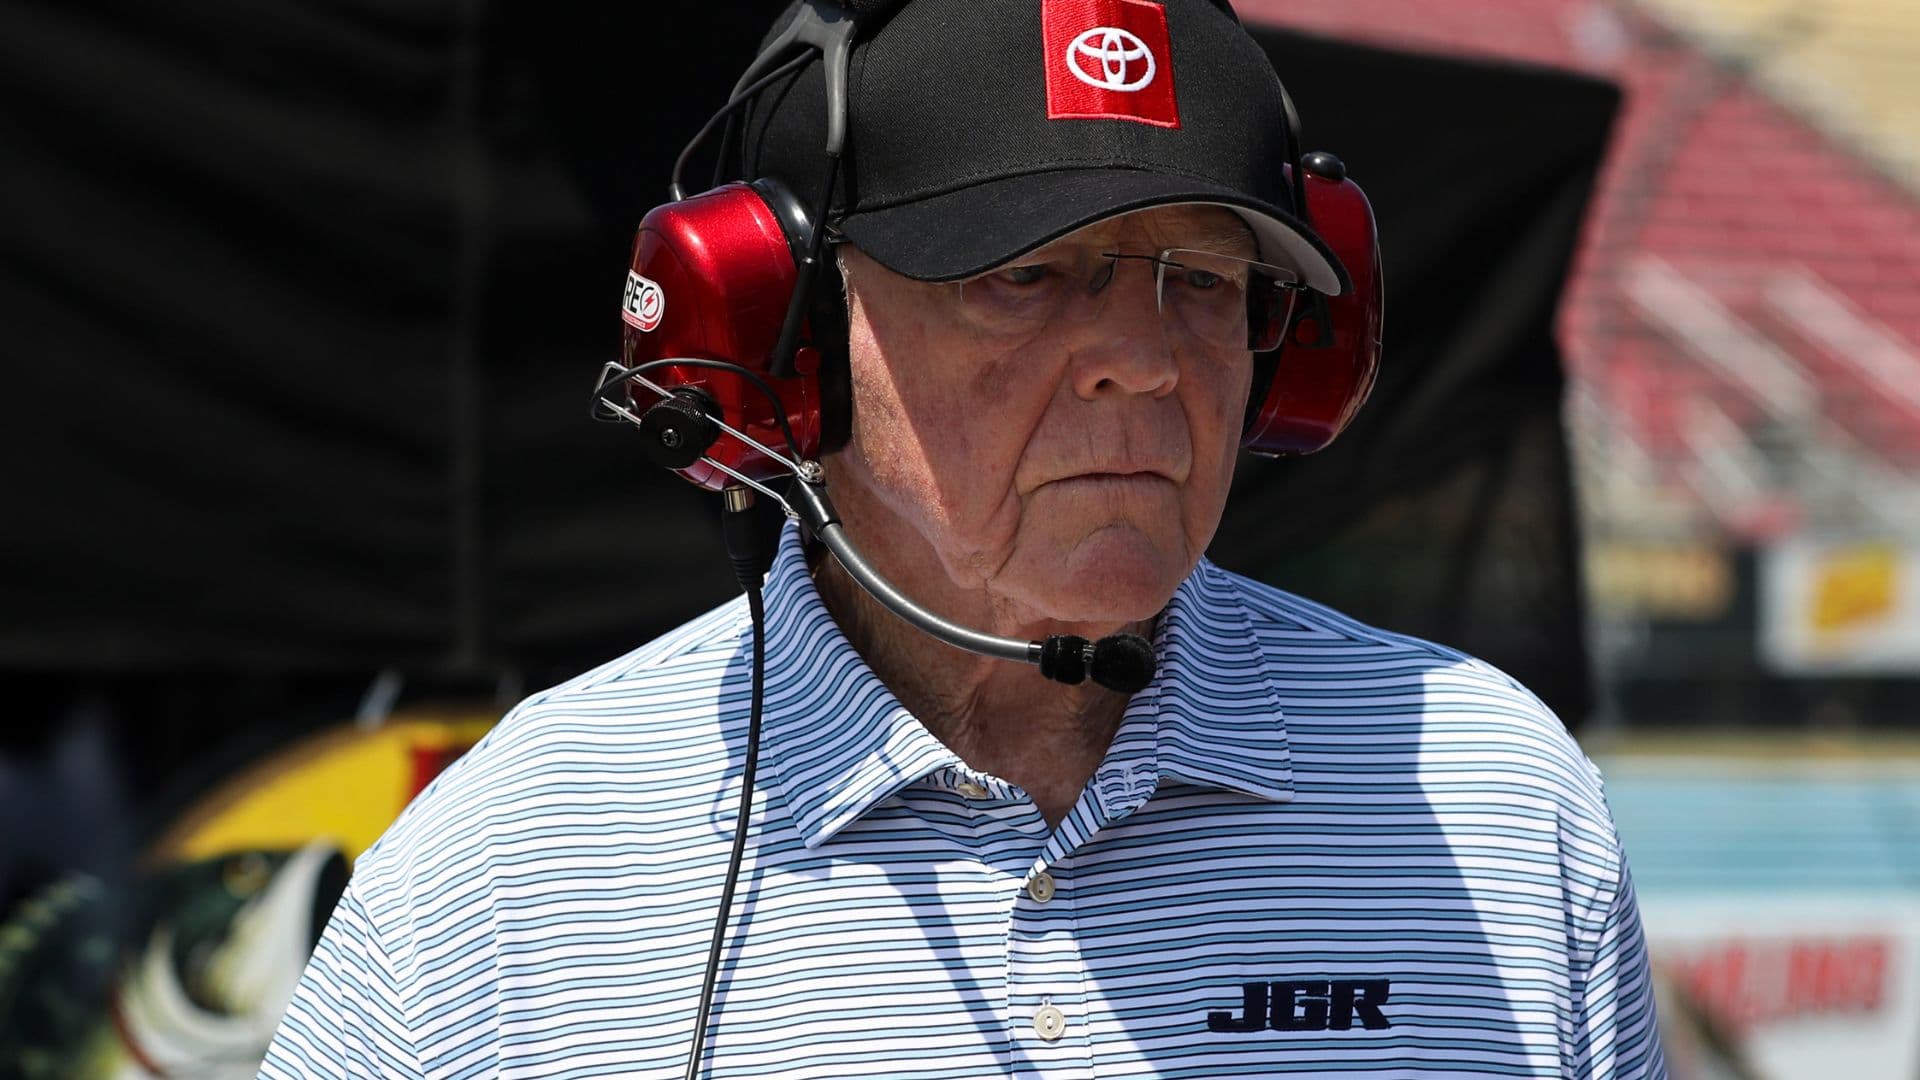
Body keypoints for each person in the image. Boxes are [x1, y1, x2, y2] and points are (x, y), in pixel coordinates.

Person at [261, 0, 1667, 1076]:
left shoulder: (1501, 807)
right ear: (786, 339)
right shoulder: (514, 867)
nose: (1143, 360)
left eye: (1205, 280)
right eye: (1025, 277)